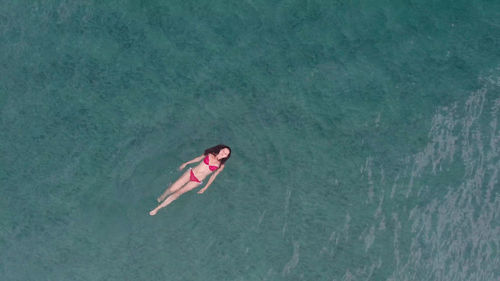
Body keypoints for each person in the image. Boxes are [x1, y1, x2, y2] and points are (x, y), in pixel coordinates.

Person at [149, 144, 231, 216]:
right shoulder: (210, 154)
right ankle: (161, 197)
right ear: (220, 149)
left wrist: (205, 187)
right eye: (224, 150)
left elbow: (213, 176)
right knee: (172, 189)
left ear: (226, 156)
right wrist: (186, 163)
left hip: (196, 181)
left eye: (226, 153)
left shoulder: (220, 165)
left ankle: (157, 208)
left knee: (178, 193)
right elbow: (198, 159)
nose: (224, 153)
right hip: (190, 172)